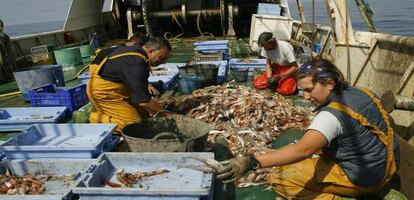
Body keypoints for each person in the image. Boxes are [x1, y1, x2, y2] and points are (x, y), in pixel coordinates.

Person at [217, 59, 400, 199]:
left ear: (329, 83)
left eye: (309, 89)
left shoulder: (330, 116)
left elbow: (302, 150)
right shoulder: (360, 92)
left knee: (279, 177)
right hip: (387, 167)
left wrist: (251, 162)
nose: (304, 97)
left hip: (365, 180)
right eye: (302, 91)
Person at [86, 37, 171, 133]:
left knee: (145, 116)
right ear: (151, 51)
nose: (164, 62)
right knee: (133, 125)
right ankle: (95, 119)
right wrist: (169, 115)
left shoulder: (139, 55)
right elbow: (143, 101)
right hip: (105, 94)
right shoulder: (136, 62)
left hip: (119, 91)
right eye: (162, 58)